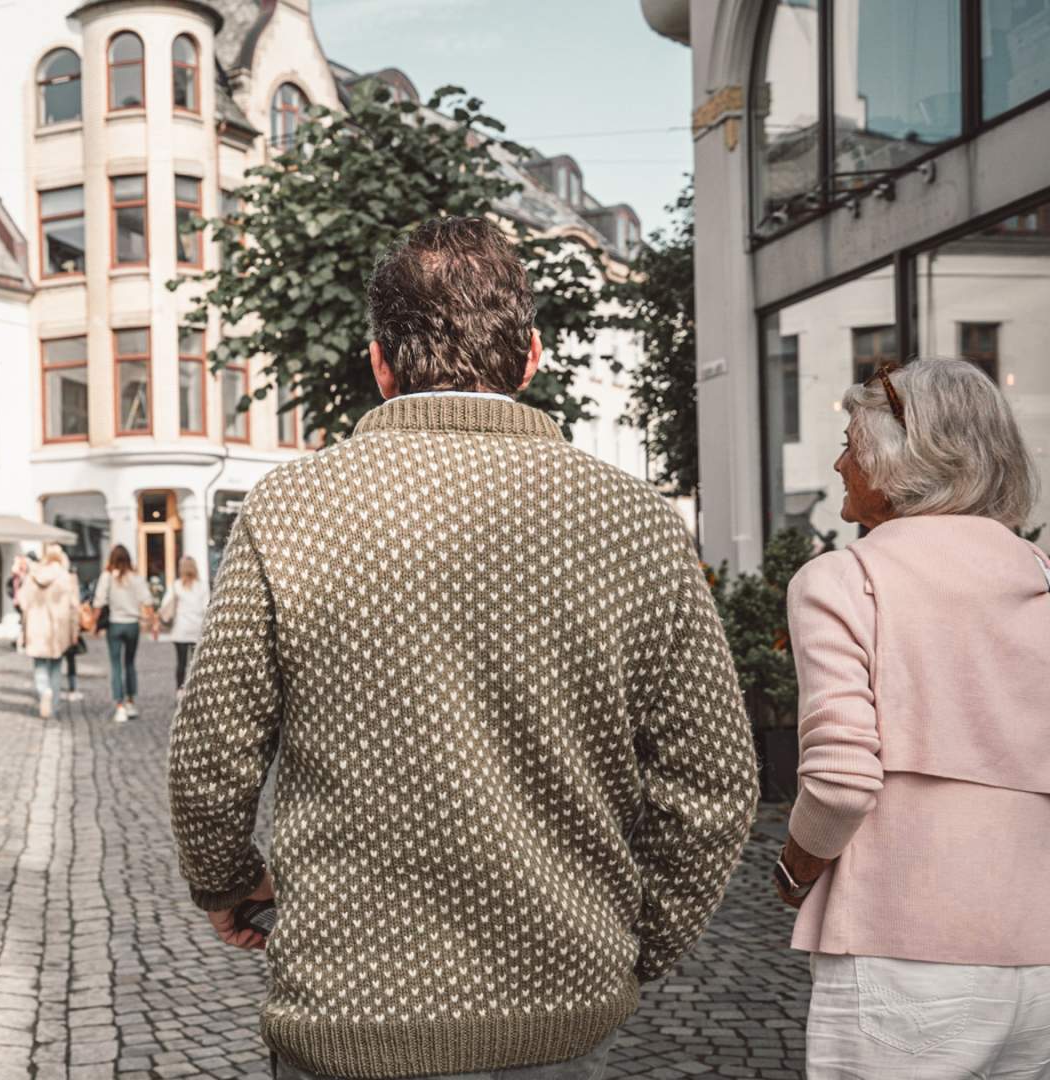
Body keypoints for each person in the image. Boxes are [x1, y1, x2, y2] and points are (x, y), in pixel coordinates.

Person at [169, 217, 757, 1080]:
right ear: (531, 356)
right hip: (561, 1008)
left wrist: (226, 881)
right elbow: (714, 779)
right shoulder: (634, 519)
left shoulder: (290, 509)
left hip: (348, 1010)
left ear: (378, 361)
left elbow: (212, 751)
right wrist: (639, 940)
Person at [777, 358, 1050, 1078]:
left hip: (901, 949)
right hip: (1038, 956)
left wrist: (794, 868)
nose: (839, 461)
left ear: (900, 460)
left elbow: (839, 782)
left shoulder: (845, 580)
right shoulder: (1041, 578)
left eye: (850, 440)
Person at [15, 544, 81, 719]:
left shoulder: (33, 576)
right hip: (58, 628)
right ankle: (54, 704)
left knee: (39, 666)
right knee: (56, 666)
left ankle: (43, 691)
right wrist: (75, 631)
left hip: (36, 628)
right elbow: (75, 608)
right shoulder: (67, 578)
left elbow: (22, 602)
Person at [92, 544, 153, 723]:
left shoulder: (107, 577)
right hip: (132, 625)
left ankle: (120, 706)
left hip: (115, 625)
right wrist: (152, 622)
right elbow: (147, 601)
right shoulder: (136, 578)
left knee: (116, 665)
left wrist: (94, 624)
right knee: (130, 663)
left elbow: (98, 602)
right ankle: (131, 702)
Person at [155, 555, 208, 694]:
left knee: (181, 663)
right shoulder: (202, 586)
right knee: (195, 663)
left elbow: (165, 605)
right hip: (197, 629)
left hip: (181, 630)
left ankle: (180, 691)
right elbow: (206, 608)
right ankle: (195, 690)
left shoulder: (176, 585)